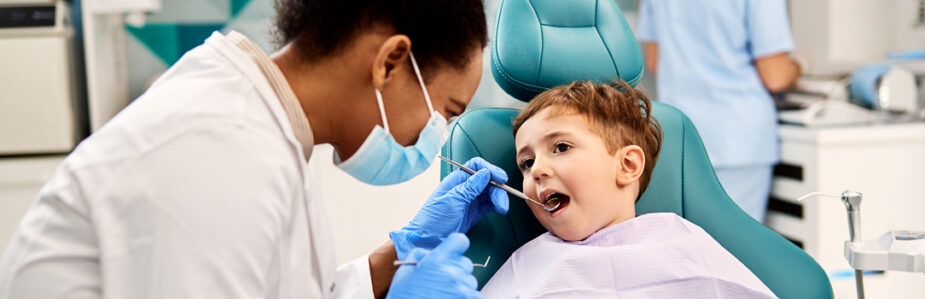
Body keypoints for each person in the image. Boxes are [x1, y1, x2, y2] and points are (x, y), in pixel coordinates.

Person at [0, 1, 507, 298]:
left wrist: (398, 258)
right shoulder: (217, 151)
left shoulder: (264, 125)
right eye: (448, 111)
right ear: (390, 62)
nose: (438, 134)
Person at [480, 81, 775, 298]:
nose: (538, 171)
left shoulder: (686, 244)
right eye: (527, 163)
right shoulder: (528, 265)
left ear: (628, 166)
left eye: (561, 147)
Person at [636, 0, 801, 222]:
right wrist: (801, 66)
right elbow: (775, 76)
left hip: (680, 138)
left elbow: (656, 61)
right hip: (737, 137)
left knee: (689, 244)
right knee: (734, 247)